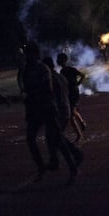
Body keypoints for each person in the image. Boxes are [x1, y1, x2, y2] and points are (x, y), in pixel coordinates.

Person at [23, 42, 77, 185]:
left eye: (29, 54)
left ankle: (72, 167)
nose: (27, 57)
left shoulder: (43, 69)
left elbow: (47, 90)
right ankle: (42, 167)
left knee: (57, 138)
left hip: (47, 108)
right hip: (35, 109)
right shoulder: (27, 70)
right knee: (30, 138)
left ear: (35, 55)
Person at [42, 57, 83, 167]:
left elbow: (53, 96)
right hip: (64, 109)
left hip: (59, 111)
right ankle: (65, 157)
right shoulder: (60, 76)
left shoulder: (54, 79)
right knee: (56, 136)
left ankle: (71, 157)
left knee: (55, 137)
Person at [56, 52, 87, 143]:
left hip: (73, 93)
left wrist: (77, 84)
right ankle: (82, 123)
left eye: (59, 60)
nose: (57, 61)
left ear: (63, 61)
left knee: (71, 114)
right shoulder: (64, 71)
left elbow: (82, 75)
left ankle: (79, 134)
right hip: (70, 93)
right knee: (72, 111)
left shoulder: (68, 70)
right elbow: (82, 76)